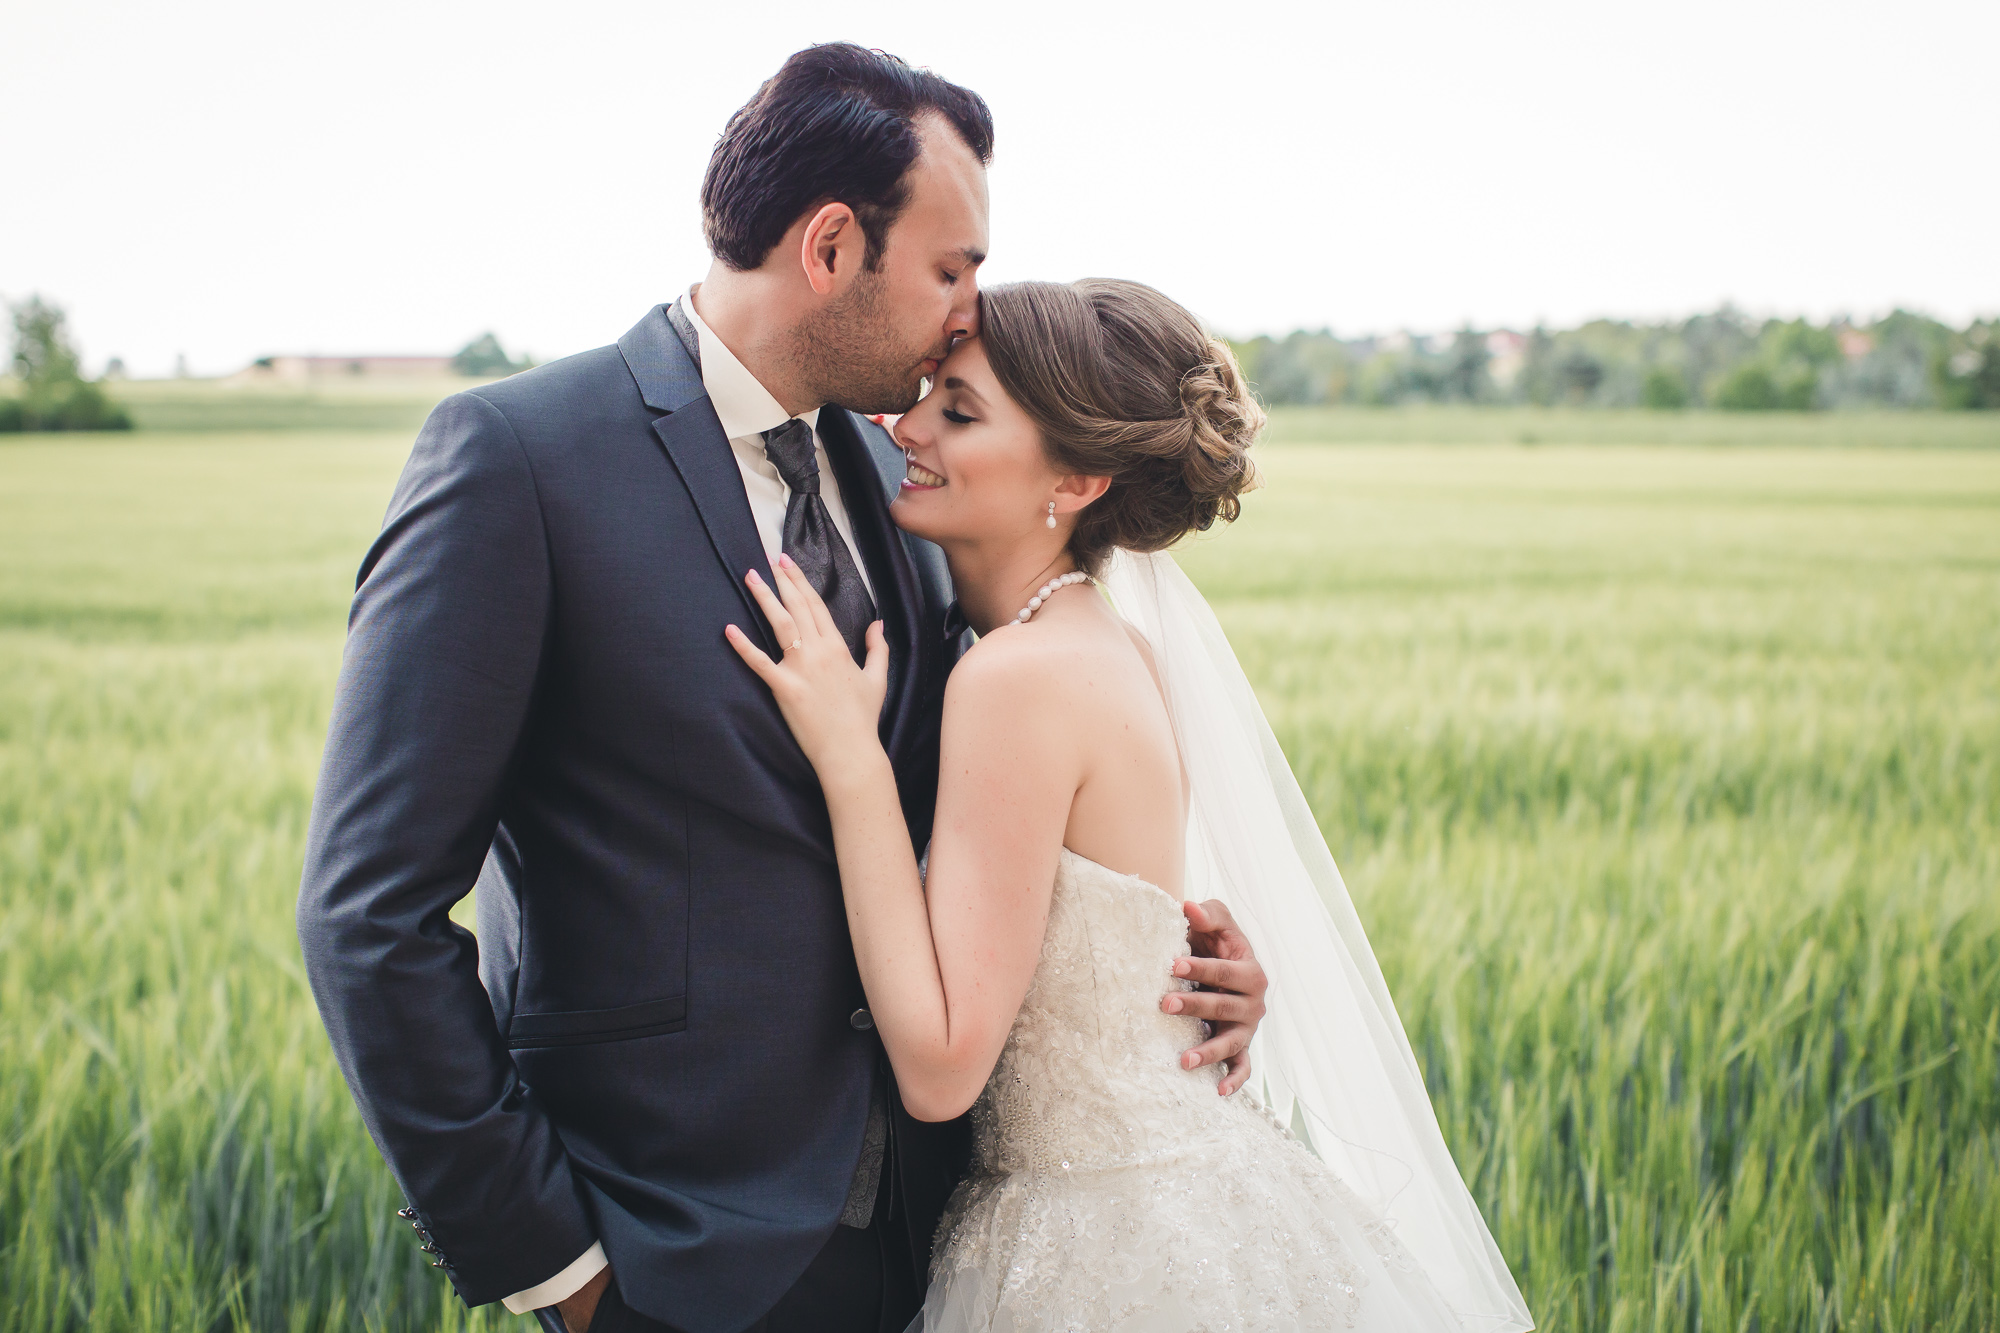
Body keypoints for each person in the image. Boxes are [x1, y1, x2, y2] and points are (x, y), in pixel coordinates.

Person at [294, 44, 1271, 1333]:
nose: (964, 316)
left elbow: (1005, 806)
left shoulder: (919, 477)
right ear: (828, 249)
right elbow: (368, 913)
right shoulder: (519, 463)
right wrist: (559, 1270)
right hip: (673, 1251)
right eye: (949, 270)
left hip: (960, 1232)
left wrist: (1163, 978)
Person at [726, 278, 1536, 1331]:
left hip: (1093, 1241)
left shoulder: (1017, 677)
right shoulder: (1110, 646)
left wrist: (850, 761)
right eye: (928, 390)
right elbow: (1106, 938)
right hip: (1185, 1192)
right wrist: (1210, 979)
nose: (904, 423)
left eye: (958, 411)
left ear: (1074, 478)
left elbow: (937, 1067)